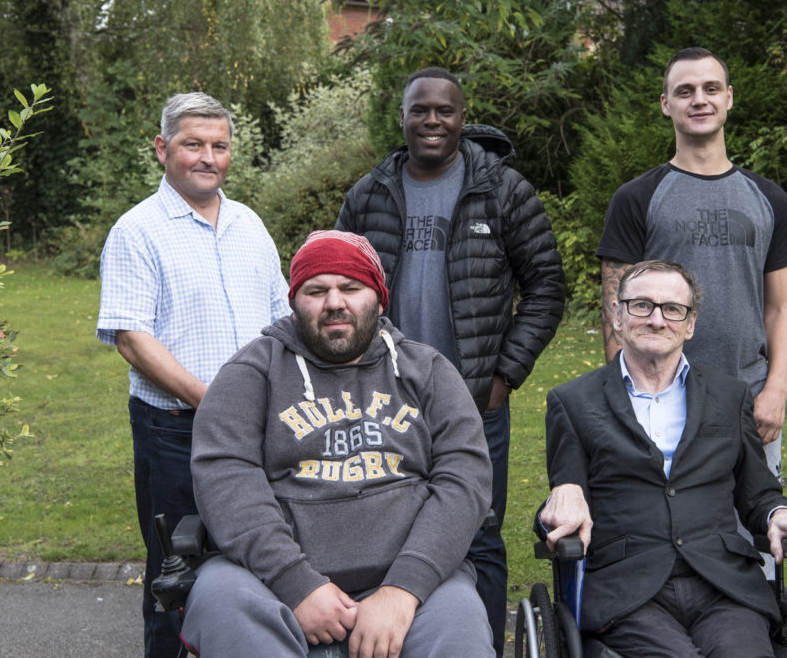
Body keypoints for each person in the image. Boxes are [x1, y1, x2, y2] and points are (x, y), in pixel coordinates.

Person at [181, 230, 495, 658]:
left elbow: (465, 482)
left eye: (351, 287)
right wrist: (296, 584)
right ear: (294, 302)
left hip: (412, 580)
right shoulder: (249, 373)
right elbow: (227, 481)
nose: (334, 302)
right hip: (269, 581)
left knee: (460, 624)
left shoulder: (429, 371)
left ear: (380, 299)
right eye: (316, 290)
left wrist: (403, 589)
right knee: (219, 597)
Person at [336, 66, 565, 652]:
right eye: (421, 109)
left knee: (478, 533)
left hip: (473, 401)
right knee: (380, 526)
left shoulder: (504, 190)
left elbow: (546, 287)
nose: (432, 120)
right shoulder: (368, 194)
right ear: (404, 116)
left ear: (463, 118)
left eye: (445, 110)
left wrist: (505, 373)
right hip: (380, 399)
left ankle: (478, 643)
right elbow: (338, 286)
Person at [538, 260, 787, 657]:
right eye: (641, 306)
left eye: (672, 309)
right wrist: (563, 493)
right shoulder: (573, 402)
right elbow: (562, 499)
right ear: (617, 317)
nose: (657, 319)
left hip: (723, 585)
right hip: (628, 590)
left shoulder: (730, 396)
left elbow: (759, 495)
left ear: (689, 324)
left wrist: (781, 514)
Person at [96, 92, 290, 657]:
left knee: (260, 555)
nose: (208, 157)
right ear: (163, 149)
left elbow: (281, 316)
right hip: (176, 430)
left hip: (262, 427)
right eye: (192, 145)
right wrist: (217, 401)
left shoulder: (249, 224)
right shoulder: (138, 230)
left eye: (219, 146)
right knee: (177, 573)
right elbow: (132, 338)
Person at [597, 47, 787, 478]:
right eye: (685, 91)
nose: (699, 100)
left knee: (757, 532)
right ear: (666, 104)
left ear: (729, 97)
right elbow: (616, 310)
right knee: (667, 528)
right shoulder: (636, 199)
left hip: (749, 397)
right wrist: (626, 399)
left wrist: (776, 390)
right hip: (659, 398)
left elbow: (781, 307)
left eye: (711, 89)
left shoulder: (770, 200)